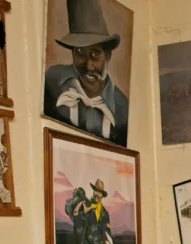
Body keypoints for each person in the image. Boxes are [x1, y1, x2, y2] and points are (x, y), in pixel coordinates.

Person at [43, 0, 129, 146]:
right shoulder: (52, 82)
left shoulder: (122, 108)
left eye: (95, 55)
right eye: (80, 52)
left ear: (108, 56)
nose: (88, 65)